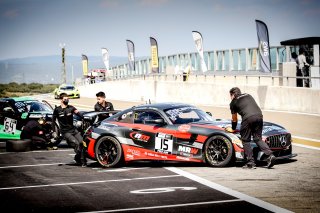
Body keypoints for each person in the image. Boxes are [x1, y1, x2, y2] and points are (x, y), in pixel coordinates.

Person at [226, 87, 276, 169]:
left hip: (248, 118)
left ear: (232, 95)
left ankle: (250, 163)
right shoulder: (248, 95)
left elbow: (234, 119)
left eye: (230, 95)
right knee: (258, 138)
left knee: (245, 140)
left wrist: (233, 129)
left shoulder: (233, 103)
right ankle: (270, 155)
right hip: (259, 116)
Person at [52, 93, 87, 167]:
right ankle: (83, 161)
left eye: (68, 99)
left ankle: (77, 158)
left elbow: (79, 114)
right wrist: (54, 131)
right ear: (61, 100)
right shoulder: (57, 110)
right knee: (77, 144)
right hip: (65, 132)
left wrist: (84, 117)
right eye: (65, 99)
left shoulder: (71, 108)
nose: (67, 100)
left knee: (82, 143)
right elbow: (53, 121)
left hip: (73, 130)